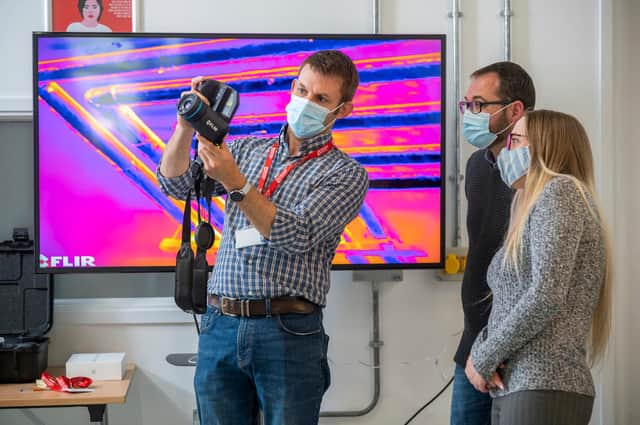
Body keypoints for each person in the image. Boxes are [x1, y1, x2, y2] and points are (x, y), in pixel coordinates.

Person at [157, 50, 368, 425]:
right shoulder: (246, 149)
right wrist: (186, 125)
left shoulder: (346, 174)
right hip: (220, 323)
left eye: (321, 99)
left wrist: (235, 183)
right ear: (291, 88)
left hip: (286, 330)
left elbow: (297, 234)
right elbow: (176, 183)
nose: (306, 103)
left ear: (343, 110)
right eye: (302, 91)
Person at [465, 109, 612, 424]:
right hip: (520, 384)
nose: (506, 150)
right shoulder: (531, 203)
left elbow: (545, 295)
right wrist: (482, 353)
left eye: (515, 140)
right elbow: (510, 302)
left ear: (545, 147)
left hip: (543, 382)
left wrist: (483, 357)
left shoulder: (560, 192)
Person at [451, 62, 536, 425]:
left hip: (519, 349)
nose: (470, 114)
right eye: (466, 105)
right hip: (473, 343)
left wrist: (497, 349)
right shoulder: (477, 166)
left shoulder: (544, 178)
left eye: (479, 105)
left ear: (514, 110)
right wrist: (480, 350)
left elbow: (539, 279)